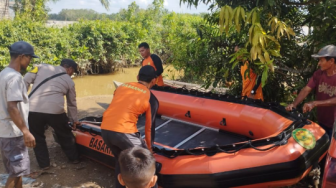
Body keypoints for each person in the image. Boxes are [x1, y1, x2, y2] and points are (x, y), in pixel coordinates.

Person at [101, 65, 159, 188]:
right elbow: (149, 127)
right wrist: (149, 148)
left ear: (137, 77)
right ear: (154, 80)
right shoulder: (151, 98)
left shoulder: (122, 86)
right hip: (123, 132)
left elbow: (117, 107)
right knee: (145, 163)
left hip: (105, 129)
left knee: (121, 161)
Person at [23, 59, 80, 169]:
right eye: (73, 72)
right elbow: (71, 103)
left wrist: (22, 98)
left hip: (33, 109)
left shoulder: (41, 67)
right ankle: (74, 158)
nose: (72, 74)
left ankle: (44, 165)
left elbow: (25, 80)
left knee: (37, 137)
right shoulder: (69, 81)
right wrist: (73, 120)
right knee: (65, 134)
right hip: (55, 112)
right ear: (70, 69)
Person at [0, 41, 37, 188]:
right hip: (13, 133)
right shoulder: (15, 77)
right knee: (15, 173)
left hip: (4, 131)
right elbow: (12, 108)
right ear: (22, 56)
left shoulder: (3, 74)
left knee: (17, 171)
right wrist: (25, 131)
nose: (30, 61)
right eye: (29, 58)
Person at [286, 45, 336, 139]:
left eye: (321, 60)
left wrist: (315, 103)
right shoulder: (318, 74)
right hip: (322, 121)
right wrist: (294, 104)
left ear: (331, 61)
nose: (319, 63)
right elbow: (306, 89)